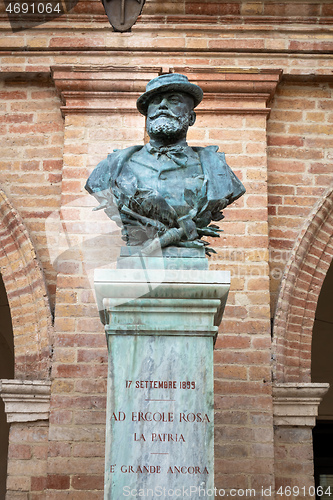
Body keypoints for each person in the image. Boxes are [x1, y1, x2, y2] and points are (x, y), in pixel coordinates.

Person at [85, 73, 245, 255]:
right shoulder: (112, 167)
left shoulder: (217, 170)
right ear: (147, 117)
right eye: (155, 101)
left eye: (173, 100)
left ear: (191, 118)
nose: (162, 106)